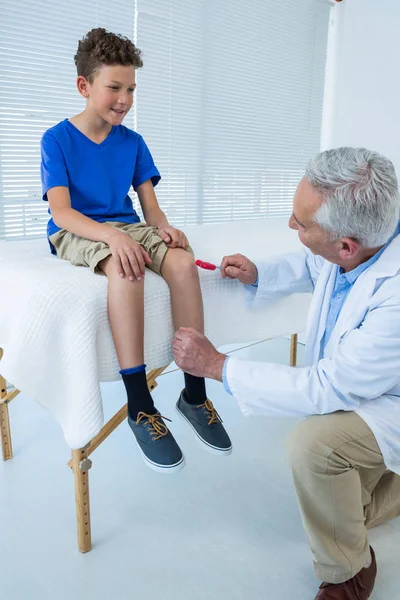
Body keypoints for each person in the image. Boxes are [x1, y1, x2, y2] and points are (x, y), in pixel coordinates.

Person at [172, 147, 400, 599]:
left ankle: (349, 571)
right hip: (375, 384)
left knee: (313, 448)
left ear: (347, 244)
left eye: (301, 222)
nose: (291, 226)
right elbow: (319, 264)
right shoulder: (368, 238)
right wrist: (260, 273)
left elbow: (328, 387)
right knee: (343, 497)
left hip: (390, 402)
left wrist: (218, 366)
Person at [40, 27, 231, 474]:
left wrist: (166, 231)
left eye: (131, 89)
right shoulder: (57, 139)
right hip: (78, 229)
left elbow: (151, 210)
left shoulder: (133, 142)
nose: (124, 99)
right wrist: (112, 238)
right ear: (84, 86)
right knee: (127, 270)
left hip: (126, 225)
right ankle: (139, 405)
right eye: (114, 88)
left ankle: (194, 392)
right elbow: (62, 213)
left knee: (183, 265)